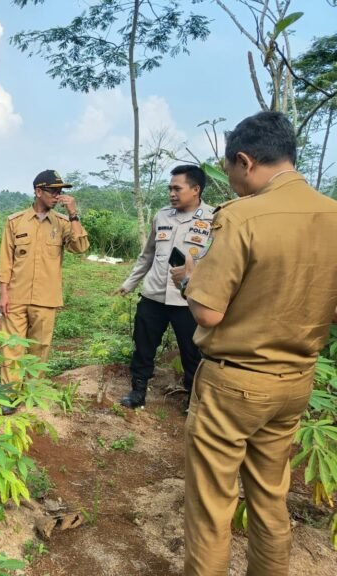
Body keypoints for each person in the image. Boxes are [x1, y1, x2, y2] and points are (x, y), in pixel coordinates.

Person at [174, 112, 337, 575]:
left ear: (244, 161)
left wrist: (190, 280)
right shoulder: (333, 214)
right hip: (295, 383)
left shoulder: (242, 217)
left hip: (234, 384)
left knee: (211, 510)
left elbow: (208, 312)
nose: (231, 181)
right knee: (271, 499)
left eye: (229, 170)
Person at [114, 165, 213, 412]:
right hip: (154, 296)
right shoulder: (162, 216)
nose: (171, 193)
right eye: (169, 188)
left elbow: (220, 263)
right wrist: (130, 283)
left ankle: (193, 401)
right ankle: (137, 392)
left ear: (195, 189)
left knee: (192, 352)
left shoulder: (214, 219)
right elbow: (146, 255)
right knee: (144, 346)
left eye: (177, 188)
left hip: (188, 300)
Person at [0, 170, 90, 413]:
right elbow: (6, 260)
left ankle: (32, 394)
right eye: (53, 191)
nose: (58, 195)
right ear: (38, 191)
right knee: (11, 346)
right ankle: (8, 397)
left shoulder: (61, 223)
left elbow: (80, 247)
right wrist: (3, 292)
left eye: (61, 191)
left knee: (40, 348)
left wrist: (73, 214)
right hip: (16, 296)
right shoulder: (15, 222)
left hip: (46, 298)